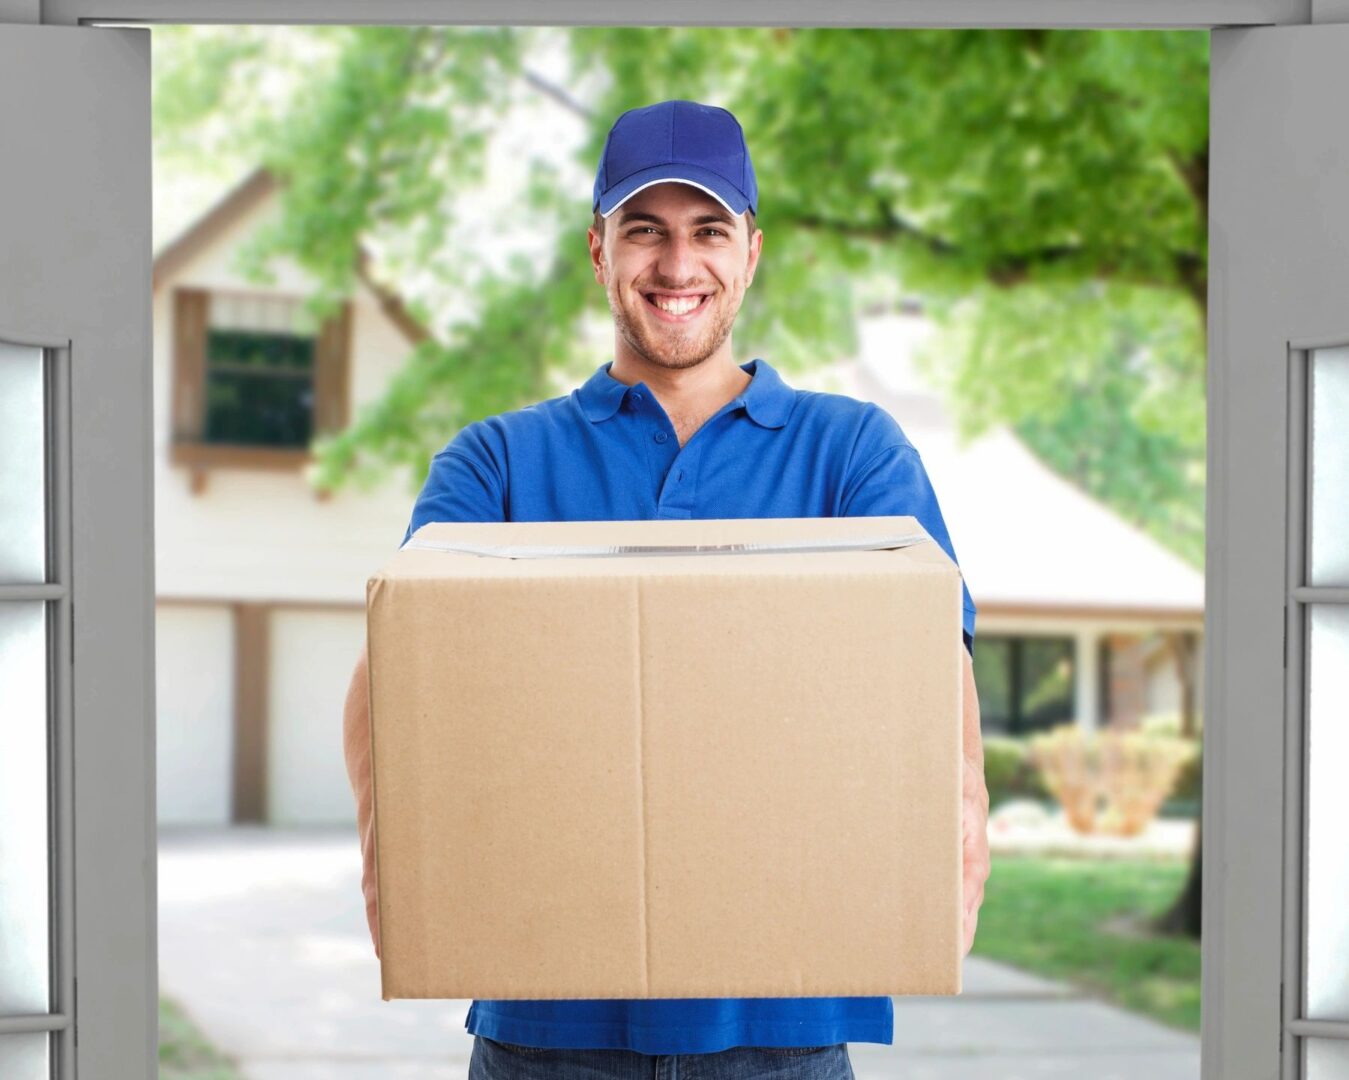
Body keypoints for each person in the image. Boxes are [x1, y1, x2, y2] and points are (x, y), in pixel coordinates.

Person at [343, 98, 990, 1079]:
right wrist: (392, 860)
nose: (676, 266)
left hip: (783, 1023)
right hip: (543, 1025)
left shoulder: (849, 453)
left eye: (707, 232)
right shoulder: (497, 465)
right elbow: (394, 672)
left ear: (750, 251)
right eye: (643, 231)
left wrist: (962, 830)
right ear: (597, 251)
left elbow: (927, 665)